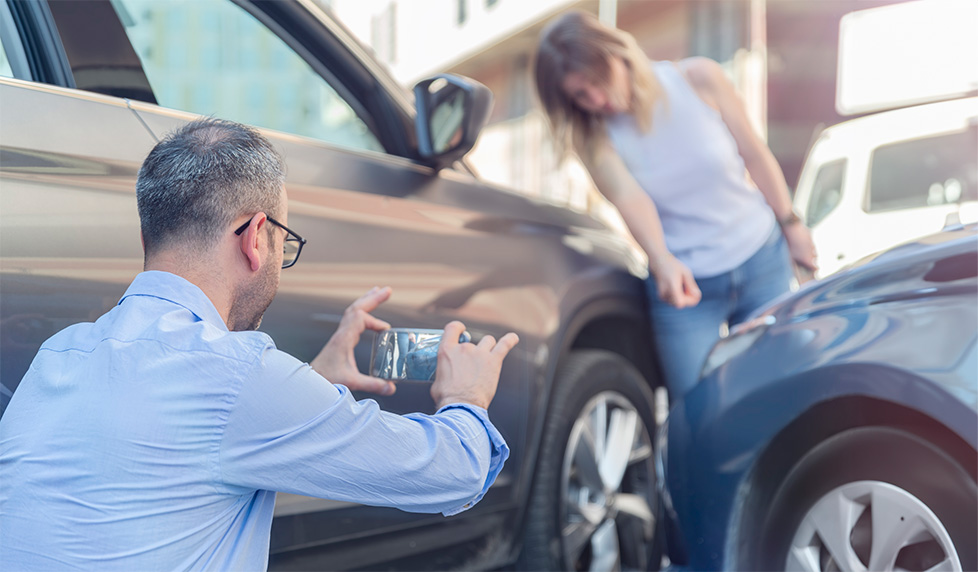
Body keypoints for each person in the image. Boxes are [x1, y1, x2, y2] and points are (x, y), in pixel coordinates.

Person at [0, 118, 519, 570]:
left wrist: (313, 383)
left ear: (146, 240)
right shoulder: (238, 374)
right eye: (283, 242)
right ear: (254, 236)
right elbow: (451, 473)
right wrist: (466, 399)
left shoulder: (59, 355)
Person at [534, 11, 817, 398]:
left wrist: (792, 225)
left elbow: (754, 152)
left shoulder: (698, 78)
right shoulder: (593, 137)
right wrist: (661, 258)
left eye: (597, 83)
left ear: (618, 54)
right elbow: (629, 198)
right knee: (696, 411)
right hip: (685, 287)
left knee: (786, 388)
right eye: (580, 96)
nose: (596, 100)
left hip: (760, 260)